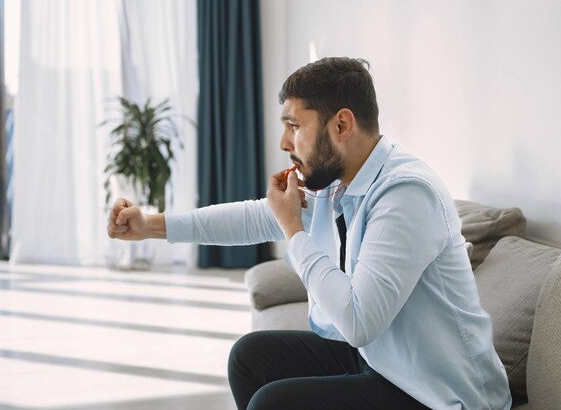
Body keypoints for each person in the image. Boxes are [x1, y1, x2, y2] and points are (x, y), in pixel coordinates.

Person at [107, 57, 512, 410]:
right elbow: (256, 217)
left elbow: (358, 322)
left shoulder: (406, 192)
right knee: (249, 357)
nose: (284, 142)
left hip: (440, 393)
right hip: (386, 362)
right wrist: (151, 225)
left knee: (273, 404)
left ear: (341, 124)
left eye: (294, 125)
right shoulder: (344, 180)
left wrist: (293, 230)